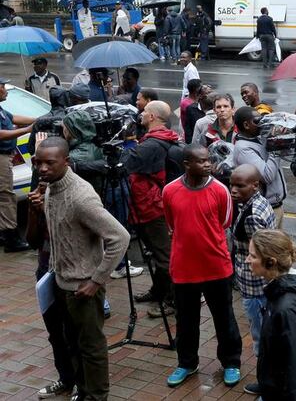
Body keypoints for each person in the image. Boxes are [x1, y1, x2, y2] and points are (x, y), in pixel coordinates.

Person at [29, 136, 130, 401]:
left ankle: (96, 396)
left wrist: (96, 280)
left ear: (66, 162)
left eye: (49, 163)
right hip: (61, 283)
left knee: (91, 347)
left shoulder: (81, 196)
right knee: (71, 342)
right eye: (38, 163)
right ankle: (82, 391)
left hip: (84, 287)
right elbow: (57, 236)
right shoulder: (50, 187)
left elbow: (120, 238)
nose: (42, 168)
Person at [162, 144, 242, 388]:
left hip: (216, 266)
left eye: (208, 160)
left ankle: (231, 362)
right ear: (187, 164)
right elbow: (171, 222)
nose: (208, 164)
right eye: (201, 161)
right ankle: (187, 362)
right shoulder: (169, 191)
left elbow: (224, 221)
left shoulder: (220, 191)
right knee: (186, 320)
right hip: (184, 267)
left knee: (224, 317)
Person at [248, 229, 296, 400]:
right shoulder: (284, 293)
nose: (247, 260)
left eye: (253, 256)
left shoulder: (286, 306)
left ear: (270, 262)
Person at [123, 100, 181, 317]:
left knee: (164, 256)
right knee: (157, 254)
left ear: (152, 117)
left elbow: (126, 164)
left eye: (145, 112)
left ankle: (172, 301)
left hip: (152, 208)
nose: (141, 114)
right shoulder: (159, 139)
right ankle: (158, 291)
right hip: (149, 206)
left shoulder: (151, 145)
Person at [229, 164, 274, 396]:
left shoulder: (252, 215)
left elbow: (261, 251)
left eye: (240, 185)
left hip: (255, 284)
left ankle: (267, 386)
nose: (234, 190)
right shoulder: (258, 202)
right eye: (232, 185)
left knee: (260, 338)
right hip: (257, 283)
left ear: (255, 185)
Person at [233, 106, 287, 227]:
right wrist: (275, 145)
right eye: (257, 121)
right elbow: (267, 175)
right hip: (266, 208)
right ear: (246, 125)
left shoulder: (257, 138)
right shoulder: (244, 149)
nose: (262, 123)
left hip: (275, 206)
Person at [0, 76, 33, 251]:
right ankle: (12, 239)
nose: (6, 90)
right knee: (6, 196)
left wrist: (37, 120)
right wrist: (26, 131)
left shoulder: (1, 109)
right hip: (1, 157)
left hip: (6, 157)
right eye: (3, 86)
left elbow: (15, 118)